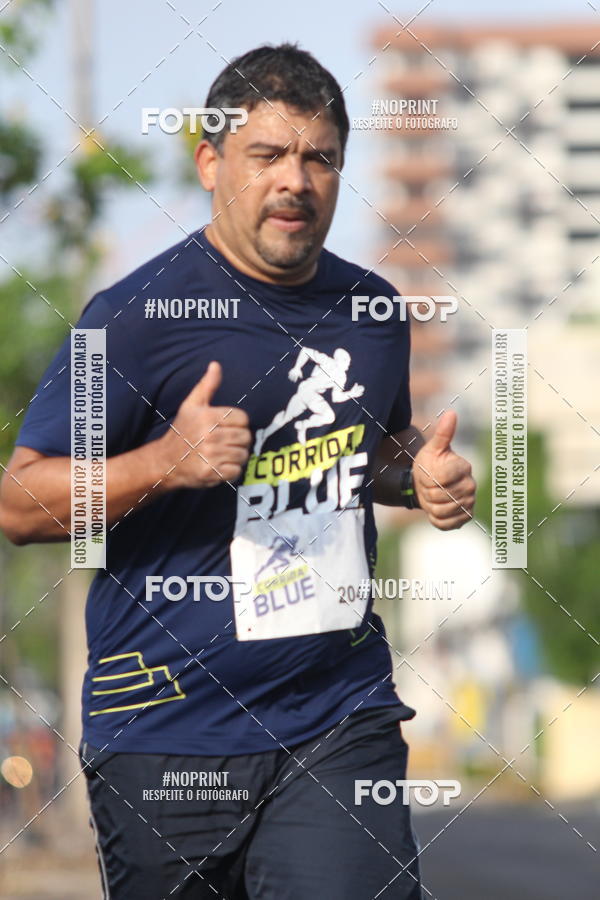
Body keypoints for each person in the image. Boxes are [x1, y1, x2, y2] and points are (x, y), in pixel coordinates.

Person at [0, 42, 476, 900]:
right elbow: (21, 499)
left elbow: (366, 457)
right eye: (267, 155)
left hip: (338, 714)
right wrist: (163, 462)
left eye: (320, 157)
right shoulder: (130, 320)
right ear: (211, 163)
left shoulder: (373, 312)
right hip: (166, 733)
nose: (295, 179)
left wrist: (420, 478)